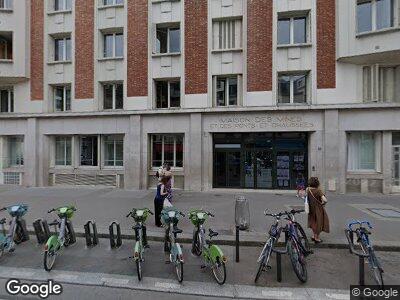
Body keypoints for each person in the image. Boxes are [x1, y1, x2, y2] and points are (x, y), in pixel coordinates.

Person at [306, 177, 329, 243]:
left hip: (310, 208)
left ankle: (314, 236)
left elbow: (305, 196)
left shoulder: (307, 189)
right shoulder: (318, 190)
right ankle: (316, 238)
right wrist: (323, 203)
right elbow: (325, 200)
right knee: (319, 222)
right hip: (318, 209)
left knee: (313, 222)